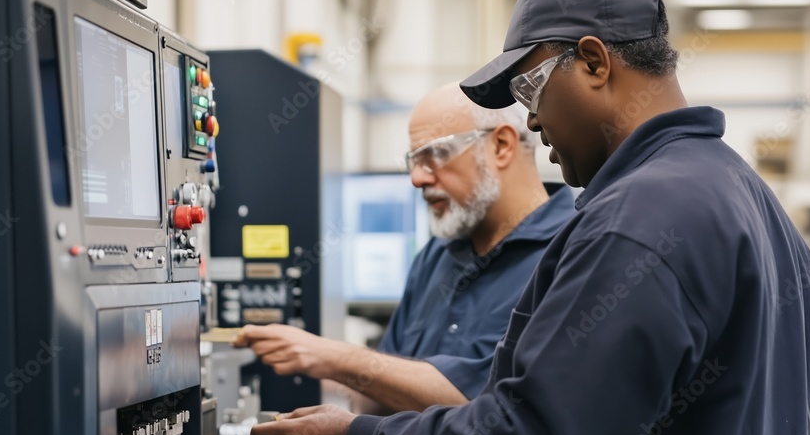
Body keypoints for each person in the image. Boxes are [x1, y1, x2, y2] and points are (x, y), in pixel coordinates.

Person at [250, 0, 810, 435]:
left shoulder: (639, 218)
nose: (533, 119)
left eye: (529, 89)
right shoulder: (753, 202)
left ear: (594, 63)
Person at [234, 82, 575, 415]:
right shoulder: (437, 256)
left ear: (501, 145)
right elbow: (372, 398)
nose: (417, 178)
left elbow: (493, 406)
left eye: (436, 154)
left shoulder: (569, 254)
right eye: (413, 160)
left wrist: (332, 357)